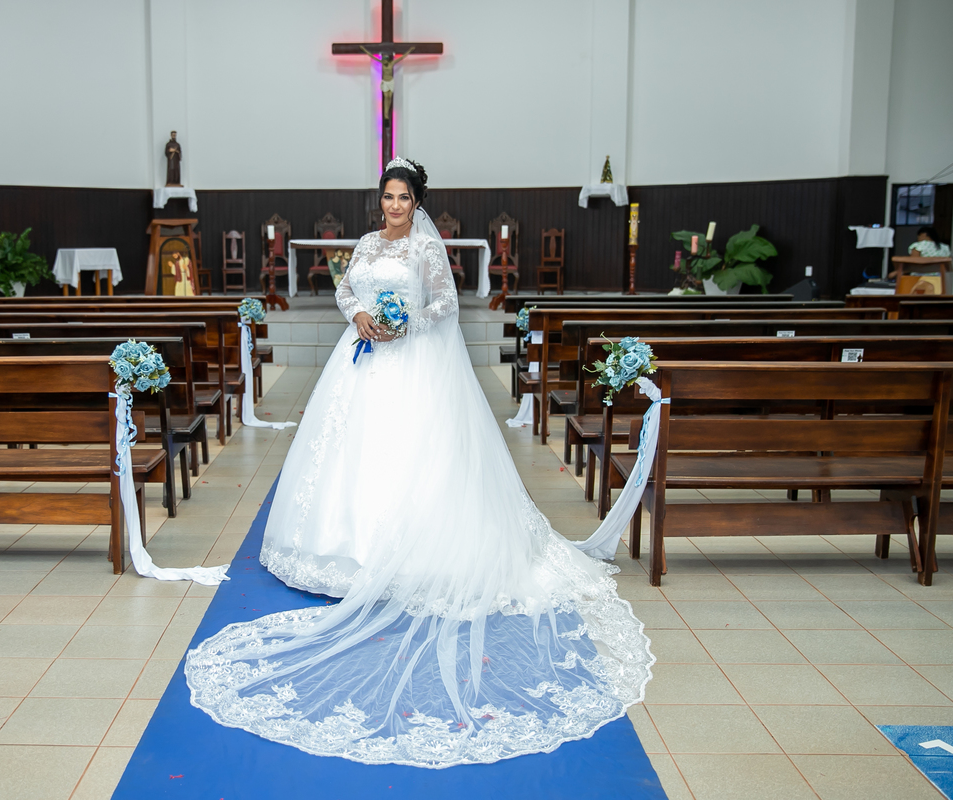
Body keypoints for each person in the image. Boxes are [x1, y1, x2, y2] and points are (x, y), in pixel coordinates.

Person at [184, 158, 654, 768]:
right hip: (361, 358)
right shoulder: (365, 243)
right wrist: (358, 315)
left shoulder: (427, 250)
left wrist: (406, 323)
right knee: (349, 452)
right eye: (387, 196)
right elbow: (346, 289)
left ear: (416, 202)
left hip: (412, 363)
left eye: (403, 197)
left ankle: (410, 551)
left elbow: (446, 305)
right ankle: (342, 549)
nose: (394, 205)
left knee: (412, 452)